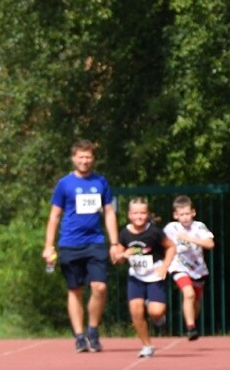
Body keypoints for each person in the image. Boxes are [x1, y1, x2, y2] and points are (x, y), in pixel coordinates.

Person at [42, 139, 122, 353]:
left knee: (100, 287)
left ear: (93, 159)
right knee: (75, 289)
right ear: (73, 158)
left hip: (95, 242)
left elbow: (109, 213)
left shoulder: (101, 182)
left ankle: (93, 330)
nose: (85, 161)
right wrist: (49, 246)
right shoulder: (64, 184)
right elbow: (54, 216)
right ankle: (79, 337)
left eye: (88, 157)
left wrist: (114, 243)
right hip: (69, 244)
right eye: (81, 157)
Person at [116, 197, 176, 358]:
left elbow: (171, 247)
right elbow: (118, 257)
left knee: (156, 312)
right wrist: (122, 255)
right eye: (135, 213)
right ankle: (147, 346)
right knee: (135, 311)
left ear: (147, 214)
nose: (139, 216)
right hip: (136, 277)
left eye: (142, 213)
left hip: (155, 274)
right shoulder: (124, 233)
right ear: (129, 215)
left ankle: (158, 316)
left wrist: (165, 266)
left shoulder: (154, 232)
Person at [163, 195, 215, 340]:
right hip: (178, 267)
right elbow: (160, 242)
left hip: (198, 269)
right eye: (181, 214)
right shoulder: (171, 228)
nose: (185, 217)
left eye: (187, 214)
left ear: (193, 212)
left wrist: (191, 238)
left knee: (196, 301)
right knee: (189, 294)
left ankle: (192, 320)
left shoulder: (199, 226)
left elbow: (210, 244)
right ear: (175, 215)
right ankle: (191, 327)